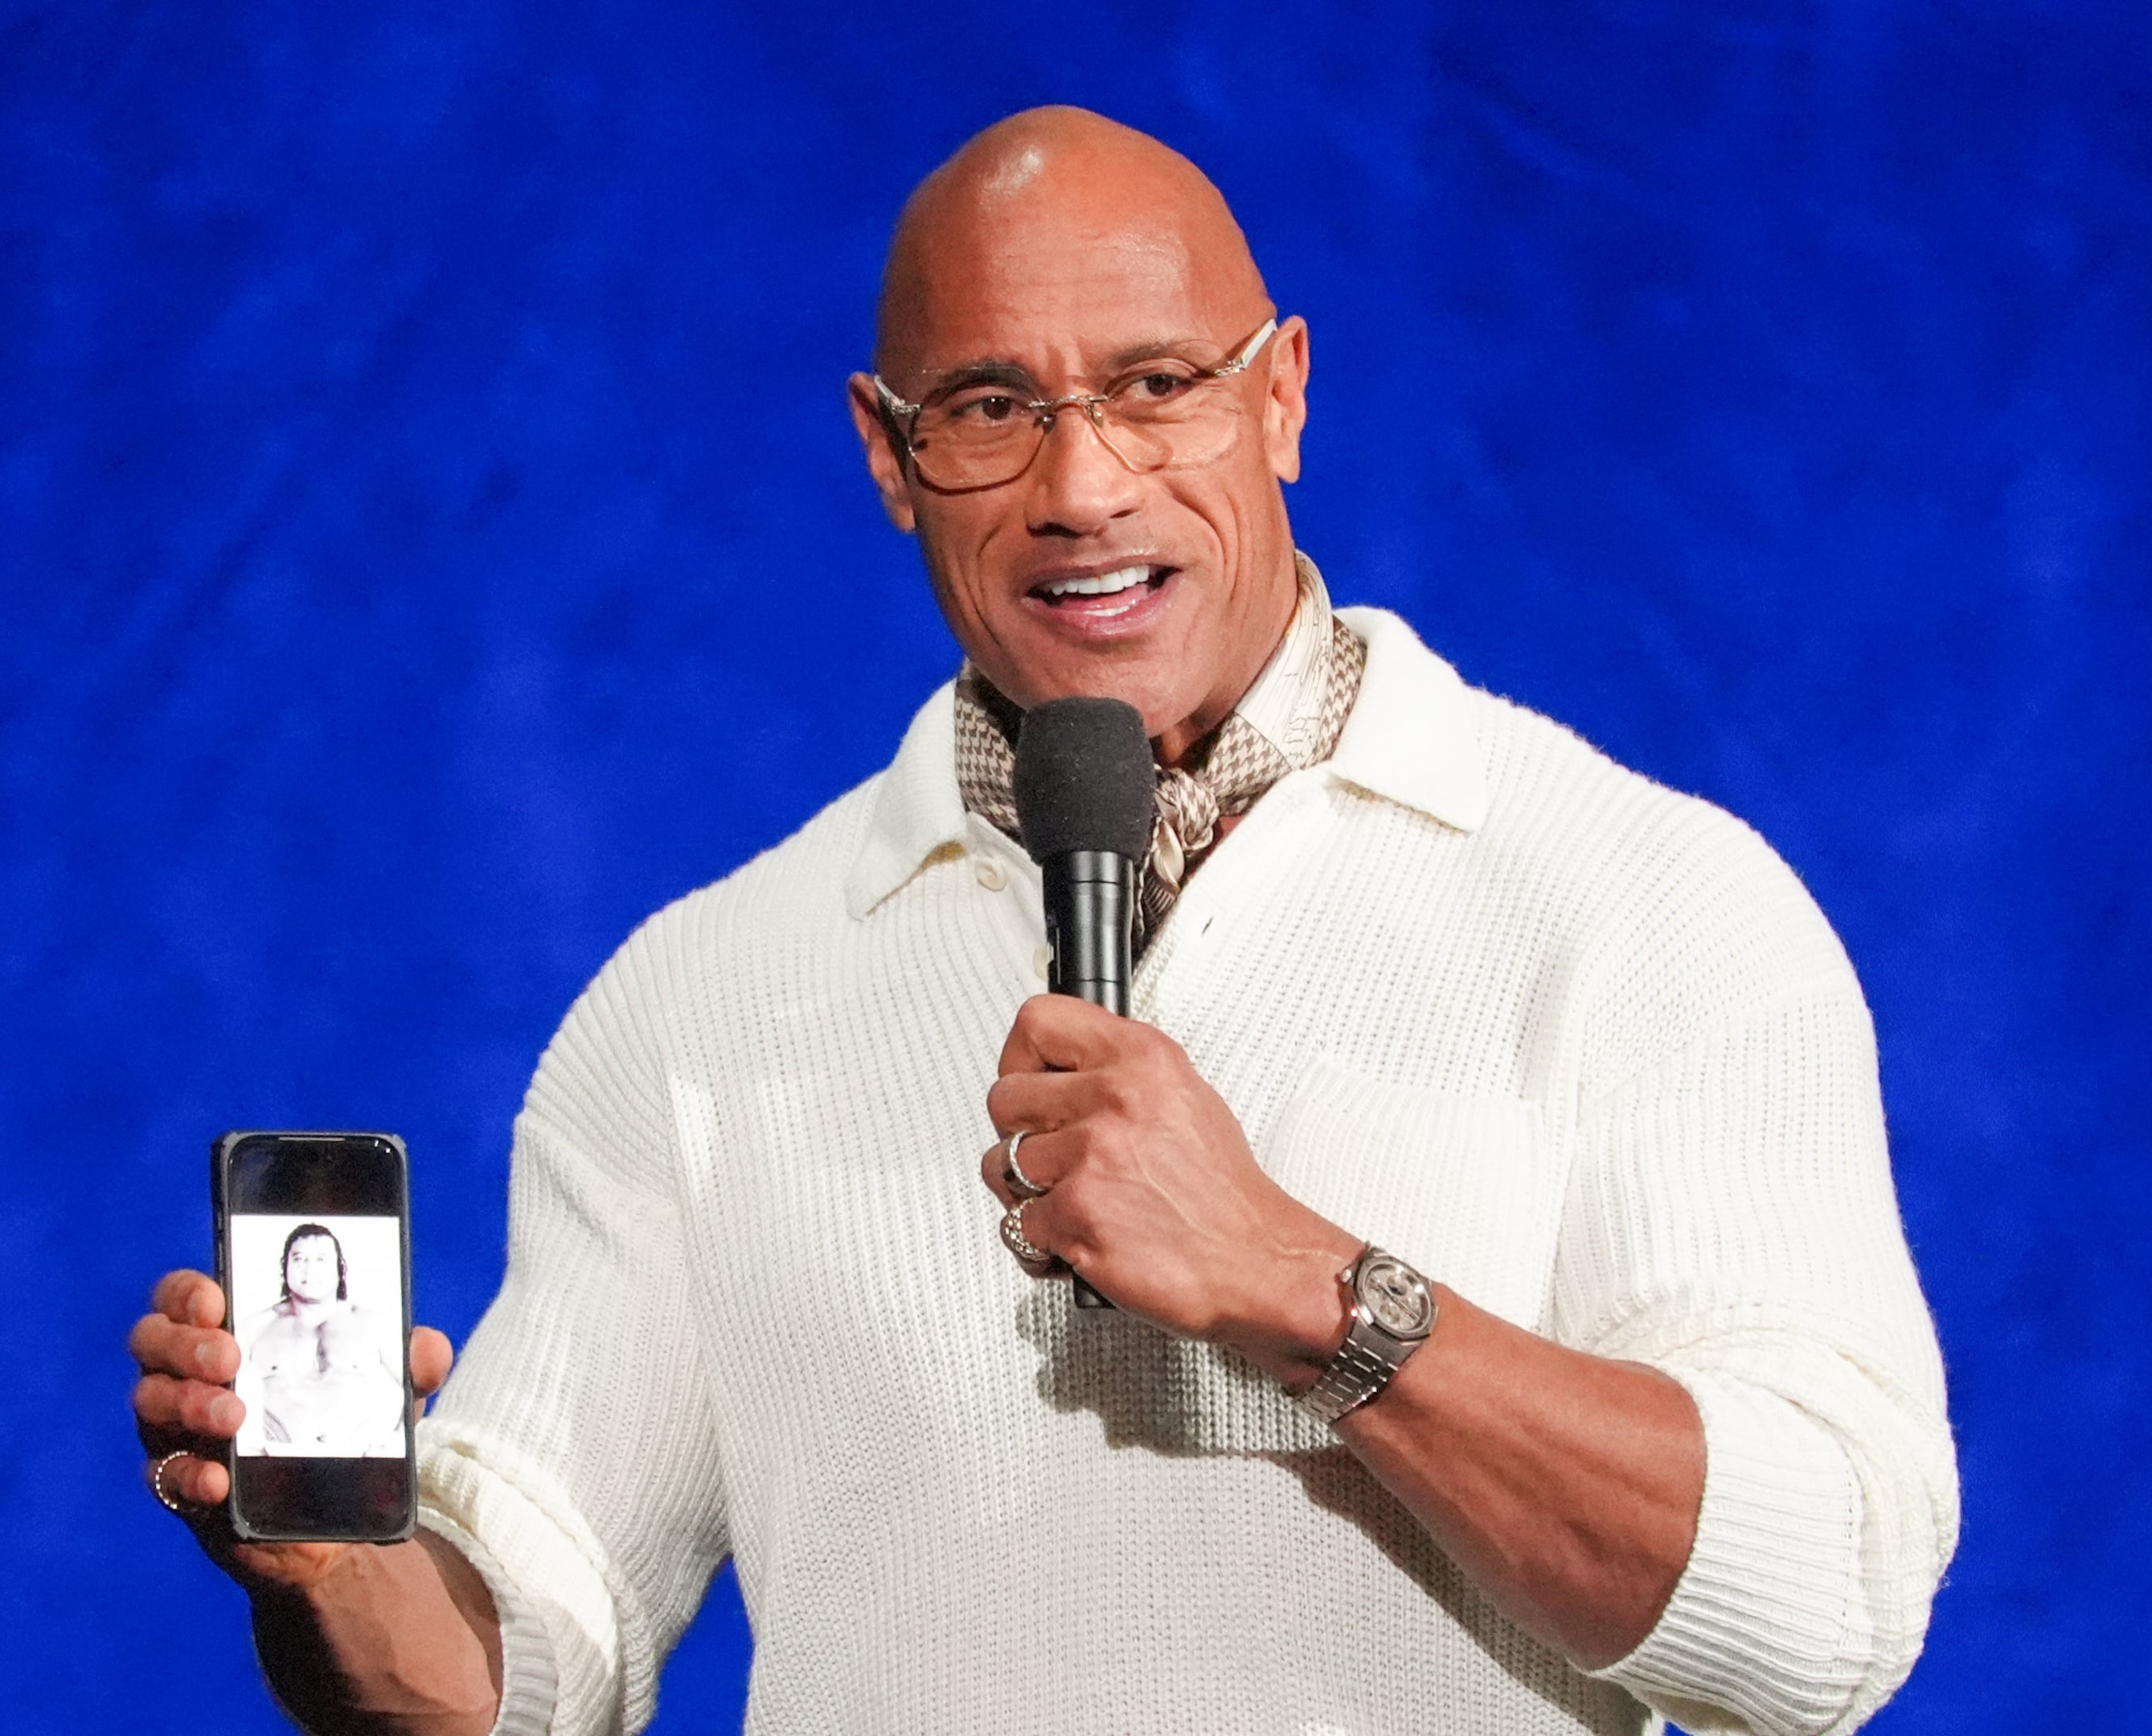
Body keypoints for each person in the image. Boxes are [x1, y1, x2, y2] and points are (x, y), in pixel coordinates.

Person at [129, 106, 1957, 1736]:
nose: (1084, 487)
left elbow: (1820, 1620)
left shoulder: (1642, 897)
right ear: (885, 452)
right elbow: (521, 1673)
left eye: (1157, 382)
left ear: (1283, 394)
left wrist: (1302, 1284)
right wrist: (329, 1561)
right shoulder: (701, 1000)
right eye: (992, 407)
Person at [239, 1222, 405, 1456]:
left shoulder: (373, 1325)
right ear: (285, 1267)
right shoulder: (255, 1327)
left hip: (357, 1462)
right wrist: (247, 1451)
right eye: (299, 1259)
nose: (310, 1269)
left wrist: (392, 1445)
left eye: (321, 1260)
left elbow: (414, 1387)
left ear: (339, 1269)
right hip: (278, 1462)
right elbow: (217, 1392)